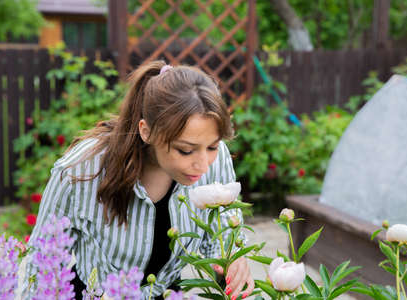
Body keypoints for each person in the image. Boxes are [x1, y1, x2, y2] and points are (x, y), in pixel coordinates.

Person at [20, 61, 254, 299]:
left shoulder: (216, 158)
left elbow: (224, 232)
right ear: (147, 131)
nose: (203, 164)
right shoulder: (80, 170)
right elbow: (41, 265)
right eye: (185, 150)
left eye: (212, 146)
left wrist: (233, 260)